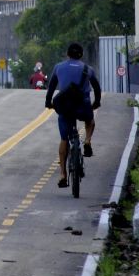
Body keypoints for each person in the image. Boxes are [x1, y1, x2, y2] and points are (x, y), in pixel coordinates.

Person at [44, 42, 101, 188]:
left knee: (64, 139)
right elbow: (97, 87)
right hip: (82, 105)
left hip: (65, 106)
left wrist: (48, 102)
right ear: (81, 55)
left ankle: (63, 174)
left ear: (67, 54)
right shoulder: (88, 69)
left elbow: (51, 86)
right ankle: (87, 140)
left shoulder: (58, 67)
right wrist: (97, 102)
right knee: (90, 120)